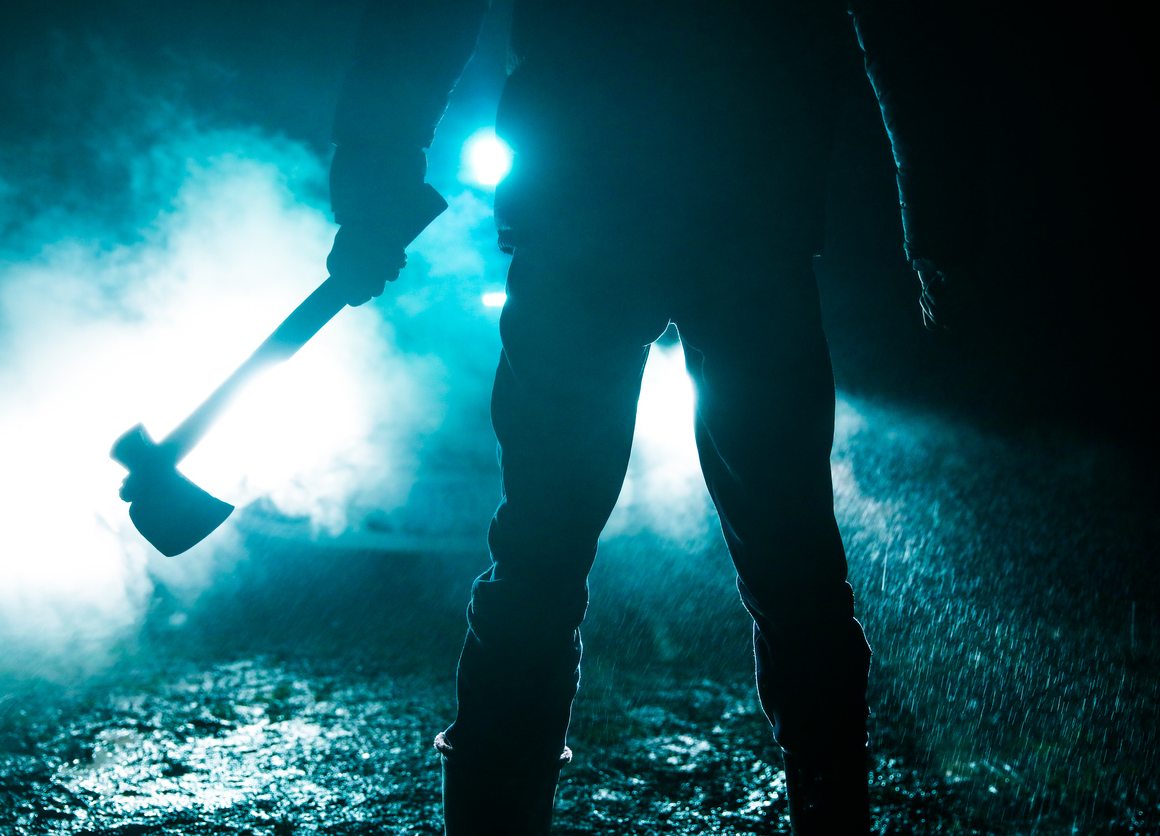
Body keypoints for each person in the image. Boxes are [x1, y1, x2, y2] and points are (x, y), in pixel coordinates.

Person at [325, 1, 954, 832]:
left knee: (543, 551)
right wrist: (941, 216)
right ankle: (833, 811)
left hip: (596, 201)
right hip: (738, 202)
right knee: (791, 557)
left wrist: (375, 177)